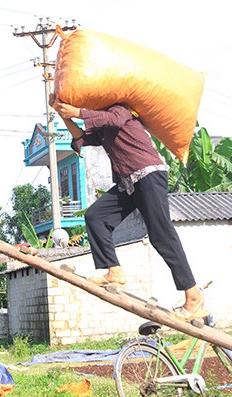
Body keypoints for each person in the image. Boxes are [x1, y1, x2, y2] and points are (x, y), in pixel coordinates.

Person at [49, 94, 209, 322]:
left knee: (161, 235)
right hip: (128, 182)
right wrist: (61, 113)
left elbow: (112, 120)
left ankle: (193, 296)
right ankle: (114, 271)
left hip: (149, 175)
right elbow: (81, 138)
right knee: (95, 216)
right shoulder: (102, 124)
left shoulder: (120, 109)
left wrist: (76, 112)